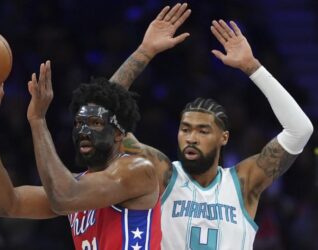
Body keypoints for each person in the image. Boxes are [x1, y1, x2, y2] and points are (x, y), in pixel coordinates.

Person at [0, 3, 190, 250]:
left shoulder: (137, 170)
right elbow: (7, 204)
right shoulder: (79, 184)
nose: (84, 130)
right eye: (79, 124)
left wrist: (38, 121)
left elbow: (65, 196)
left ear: (120, 135)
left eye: (94, 124)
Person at [111, 18, 314, 250]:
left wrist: (252, 67)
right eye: (185, 129)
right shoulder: (163, 175)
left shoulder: (243, 182)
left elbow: (300, 129)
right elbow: (103, 117)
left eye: (203, 130)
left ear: (223, 138)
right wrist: (144, 52)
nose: (191, 137)